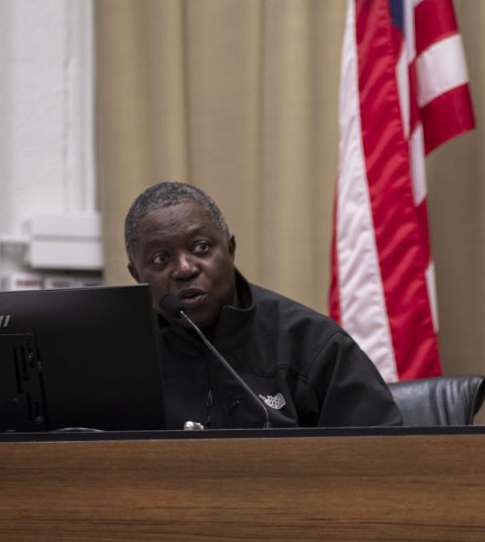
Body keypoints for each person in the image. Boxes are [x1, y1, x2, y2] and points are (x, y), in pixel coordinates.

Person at [125, 181, 403, 428]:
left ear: (230, 250)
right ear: (137, 275)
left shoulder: (313, 343)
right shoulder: (123, 358)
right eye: (160, 259)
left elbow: (380, 462)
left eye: (201, 248)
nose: (185, 269)